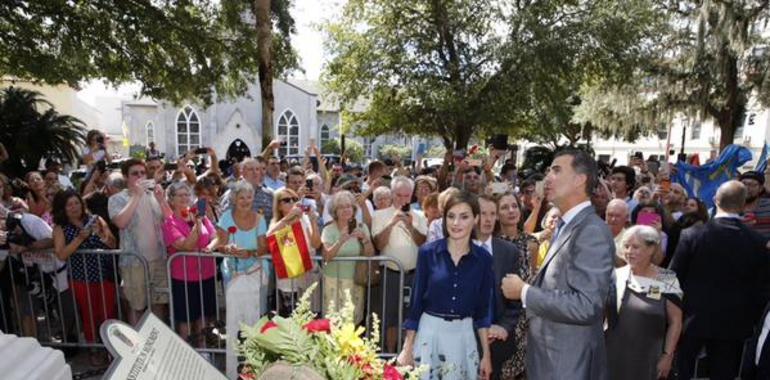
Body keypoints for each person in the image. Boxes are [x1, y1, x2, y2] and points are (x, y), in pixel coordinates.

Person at [501, 149, 614, 379]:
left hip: (569, 364)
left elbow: (586, 305)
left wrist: (524, 292)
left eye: (556, 170)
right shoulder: (566, 226)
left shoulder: (591, 231)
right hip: (552, 361)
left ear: (579, 180)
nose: (548, 178)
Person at [669, 180, 770, 380]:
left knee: (683, 372)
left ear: (715, 200)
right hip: (734, 324)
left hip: (691, 319)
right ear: (743, 205)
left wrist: (675, 316)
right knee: (724, 373)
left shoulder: (691, 235)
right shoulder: (758, 242)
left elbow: (674, 276)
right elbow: (762, 288)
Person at [397, 191, 493, 380]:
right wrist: (407, 349)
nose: (456, 223)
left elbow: (483, 312)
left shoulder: (484, 259)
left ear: (475, 219)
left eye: (464, 217)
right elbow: (416, 305)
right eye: (451, 216)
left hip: (464, 337)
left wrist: (486, 356)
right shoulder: (427, 253)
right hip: (429, 334)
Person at [605, 226, 683, 380]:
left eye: (635, 247)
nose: (629, 251)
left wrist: (668, 356)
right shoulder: (615, 276)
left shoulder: (667, 278)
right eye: (626, 246)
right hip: (613, 353)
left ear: (651, 249)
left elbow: (676, 321)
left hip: (649, 356)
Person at [52, 190, 117, 365]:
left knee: (108, 313)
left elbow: (113, 244)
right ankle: (94, 350)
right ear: (63, 209)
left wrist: (102, 234)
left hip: (105, 275)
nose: (74, 207)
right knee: (89, 315)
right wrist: (79, 239)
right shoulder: (60, 228)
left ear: (82, 203)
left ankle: (111, 349)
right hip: (81, 279)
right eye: (69, 205)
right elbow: (61, 255)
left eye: (76, 203)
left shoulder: (95, 219)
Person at [108, 158, 170, 325]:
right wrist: (136, 196)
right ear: (126, 177)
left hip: (158, 259)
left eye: (143, 173)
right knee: (136, 306)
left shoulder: (153, 195)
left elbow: (170, 220)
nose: (140, 177)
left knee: (159, 304)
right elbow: (121, 222)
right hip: (133, 262)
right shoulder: (116, 199)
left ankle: (158, 342)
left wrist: (162, 200)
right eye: (135, 174)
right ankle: (136, 347)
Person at [372, 176, 428, 352]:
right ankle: (390, 352)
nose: (403, 199)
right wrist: (392, 222)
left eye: (406, 195)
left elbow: (422, 242)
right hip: (391, 272)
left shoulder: (419, 215)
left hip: (414, 273)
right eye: (398, 195)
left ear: (411, 195)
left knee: (411, 315)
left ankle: (408, 353)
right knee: (390, 316)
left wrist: (410, 226)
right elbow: (379, 244)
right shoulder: (380, 214)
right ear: (392, 193)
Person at [161, 182, 217, 345]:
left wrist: (210, 247)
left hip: (207, 274)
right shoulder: (169, 223)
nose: (185, 198)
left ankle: (204, 350)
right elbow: (186, 245)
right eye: (180, 195)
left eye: (187, 194)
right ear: (171, 200)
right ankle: (185, 352)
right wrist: (197, 225)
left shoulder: (201, 216)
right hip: (184, 277)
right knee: (185, 318)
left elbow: (215, 236)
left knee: (203, 316)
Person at [475, 194, 521, 380]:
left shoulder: (508, 251)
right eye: (483, 213)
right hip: (464, 339)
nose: (488, 219)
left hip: (499, 343)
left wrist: (503, 327)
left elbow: (514, 300)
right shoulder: (459, 248)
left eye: (492, 213)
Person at [321, 190, 374, 323]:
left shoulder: (362, 227)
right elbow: (326, 256)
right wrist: (341, 241)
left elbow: (370, 254)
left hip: (356, 281)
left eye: (349, 206)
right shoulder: (329, 229)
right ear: (335, 211)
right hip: (333, 281)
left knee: (353, 321)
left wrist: (365, 240)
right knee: (334, 322)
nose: (346, 210)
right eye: (341, 207)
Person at [268, 188, 322, 316]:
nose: (292, 202)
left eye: (294, 199)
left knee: (309, 318)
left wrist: (313, 221)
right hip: (289, 280)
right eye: (287, 200)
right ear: (279, 206)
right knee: (290, 319)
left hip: (307, 275)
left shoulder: (304, 219)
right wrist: (288, 219)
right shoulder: (276, 223)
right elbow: (268, 237)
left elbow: (316, 244)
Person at [606, 199, 630, 266]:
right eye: (610, 215)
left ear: (626, 217)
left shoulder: (630, 238)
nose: (613, 219)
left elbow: (627, 266)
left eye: (617, 216)